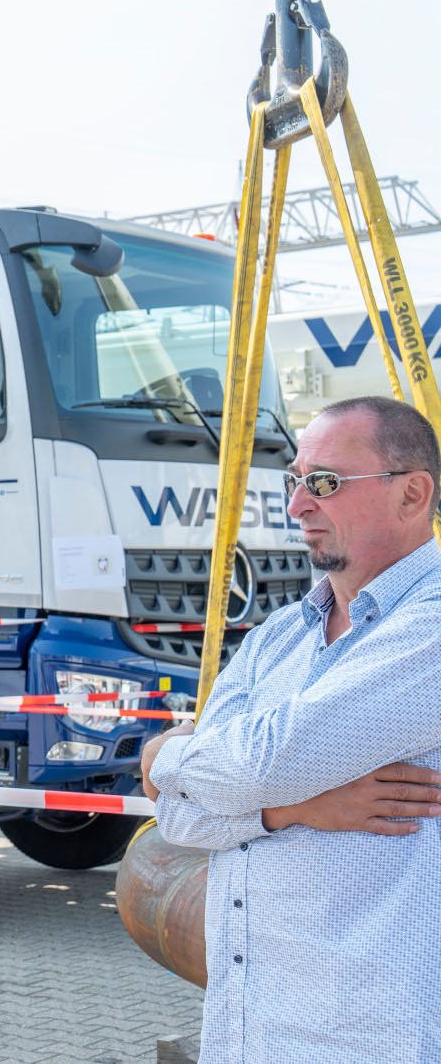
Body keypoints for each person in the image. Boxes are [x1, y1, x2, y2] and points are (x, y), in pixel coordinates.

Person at [141, 395, 441, 1064]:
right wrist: (290, 810)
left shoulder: (430, 625)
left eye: (326, 483)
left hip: (378, 1035)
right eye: (295, 481)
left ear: (412, 493)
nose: (297, 506)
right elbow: (179, 822)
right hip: (253, 1025)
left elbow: (255, 766)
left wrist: (165, 752)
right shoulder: (279, 636)